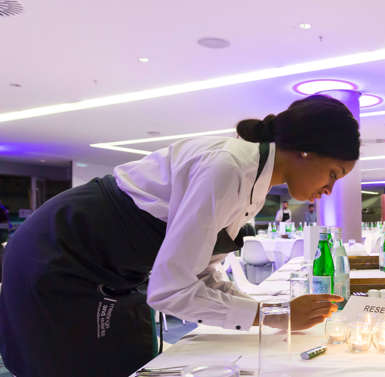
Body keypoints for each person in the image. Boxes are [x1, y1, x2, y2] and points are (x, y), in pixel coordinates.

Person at [0, 94, 360, 377]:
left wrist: (273, 313)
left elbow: (199, 271)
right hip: (60, 255)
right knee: (82, 366)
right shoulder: (228, 167)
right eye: (332, 174)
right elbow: (170, 290)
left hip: (111, 269)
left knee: (136, 358)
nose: (329, 189)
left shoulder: (253, 178)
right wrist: (267, 316)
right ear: (306, 151)